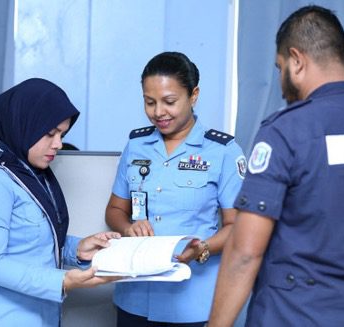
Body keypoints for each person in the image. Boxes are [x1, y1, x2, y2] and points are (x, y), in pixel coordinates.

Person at [209, 5, 344, 327]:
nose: (280, 81)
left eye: (279, 68)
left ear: (297, 60)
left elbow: (245, 254)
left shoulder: (284, 133)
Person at [0, 78, 120, 326]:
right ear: (24, 126)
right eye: (50, 133)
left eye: (62, 133)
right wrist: (62, 281)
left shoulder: (32, 174)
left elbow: (31, 243)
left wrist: (78, 248)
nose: (59, 144)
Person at [105, 51, 245, 326]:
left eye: (169, 102)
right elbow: (115, 209)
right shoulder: (136, 146)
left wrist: (202, 248)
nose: (158, 112)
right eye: (149, 102)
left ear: (193, 96)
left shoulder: (223, 152)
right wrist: (127, 227)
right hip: (136, 294)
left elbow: (237, 227)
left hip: (192, 299)